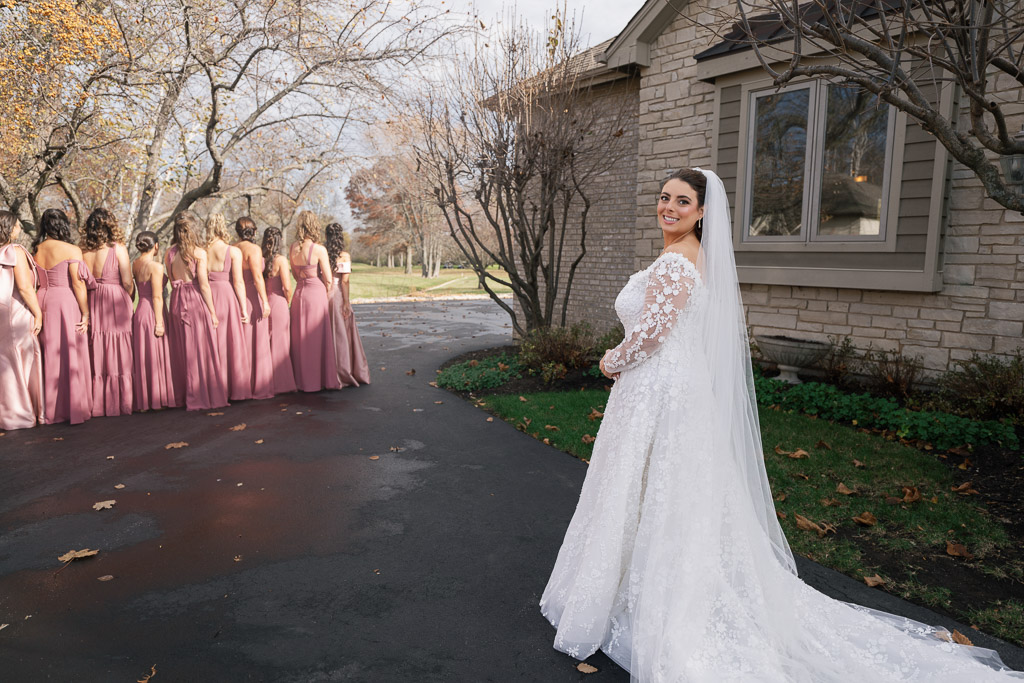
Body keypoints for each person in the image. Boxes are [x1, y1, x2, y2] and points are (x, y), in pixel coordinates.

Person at [540, 168, 1023, 682]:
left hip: (658, 389)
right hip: (675, 390)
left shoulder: (676, 265)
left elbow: (652, 335)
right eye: (664, 198)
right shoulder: (695, 259)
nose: (669, 207)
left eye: (683, 201)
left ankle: (644, 598)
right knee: (666, 494)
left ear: (702, 213)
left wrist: (610, 360)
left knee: (649, 490)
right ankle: (641, 586)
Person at [32, 208, 93, 424]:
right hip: (64, 301)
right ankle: (72, 407)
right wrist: (85, 313)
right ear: (63, 224)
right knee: (69, 352)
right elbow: (77, 283)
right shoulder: (72, 249)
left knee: (50, 353)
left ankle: (51, 409)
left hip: (42, 300)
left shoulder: (36, 249)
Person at [166, 211, 227, 411]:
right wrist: (212, 312)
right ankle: (201, 395)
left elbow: (171, 278)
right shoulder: (199, 252)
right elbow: (204, 285)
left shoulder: (169, 253)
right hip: (193, 301)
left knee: (182, 348)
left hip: (176, 300)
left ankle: (186, 394)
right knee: (200, 349)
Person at [81, 208, 134, 417]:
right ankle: (121, 401)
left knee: (97, 348)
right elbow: (128, 281)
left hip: (93, 298)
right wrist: (127, 296)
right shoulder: (117, 247)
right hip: (114, 299)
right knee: (119, 349)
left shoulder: (82, 250)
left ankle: (99, 403)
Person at [0, 210, 43, 430]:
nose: (19, 228)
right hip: (14, 311)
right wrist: (38, 313)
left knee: (3, 361)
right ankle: (19, 413)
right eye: (16, 225)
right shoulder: (14, 250)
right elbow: (25, 287)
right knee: (20, 358)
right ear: (8, 228)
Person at [288, 211, 339, 392]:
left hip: (299, 293)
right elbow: (328, 278)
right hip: (316, 293)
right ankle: (320, 379)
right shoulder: (319, 249)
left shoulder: (293, 247)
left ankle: (302, 380)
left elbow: (294, 274)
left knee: (300, 337)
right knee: (317, 336)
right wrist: (325, 293)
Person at [205, 213, 251, 401]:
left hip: (207, 296)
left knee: (212, 342)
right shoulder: (232, 251)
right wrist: (243, 308)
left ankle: (214, 388)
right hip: (226, 295)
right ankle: (234, 389)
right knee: (229, 341)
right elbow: (239, 282)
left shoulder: (201, 250)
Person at [131, 230, 178, 411]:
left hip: (139, 311)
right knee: (155, 354)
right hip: (152, 311)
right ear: (156, 246)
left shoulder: (135, 264)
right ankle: (158, 399)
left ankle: (146, 399)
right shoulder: (156, 267)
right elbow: (158, 297)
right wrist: (159, 322)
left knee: (144, 356)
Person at [325, 222, 370, 387]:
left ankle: (327, 372)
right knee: (341, 333)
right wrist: (346, 302)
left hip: (323, 295)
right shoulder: (344, 256)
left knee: (327, 333)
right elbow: (344, 282)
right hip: (336, 295)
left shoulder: (322, 253)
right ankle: (343, 370)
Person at [233, 216, 273, 400]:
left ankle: (240, 385)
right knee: (256, 340)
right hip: (251, 297)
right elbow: (258, 278)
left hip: (235, 297)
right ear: (254, 231)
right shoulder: (254, 249)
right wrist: (265, 302)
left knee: (241, 340)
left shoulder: (232, 248)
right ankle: (258, 385)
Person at [262, 226, 296, 395]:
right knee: (280, 343)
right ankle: (282, 383)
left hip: (263, 301)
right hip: (278, 301)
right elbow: (287, 287)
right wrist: (287, 302)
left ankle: (266, 381)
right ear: (279, 241)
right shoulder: (281, 260)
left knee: (266, 343)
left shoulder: (261, 257)